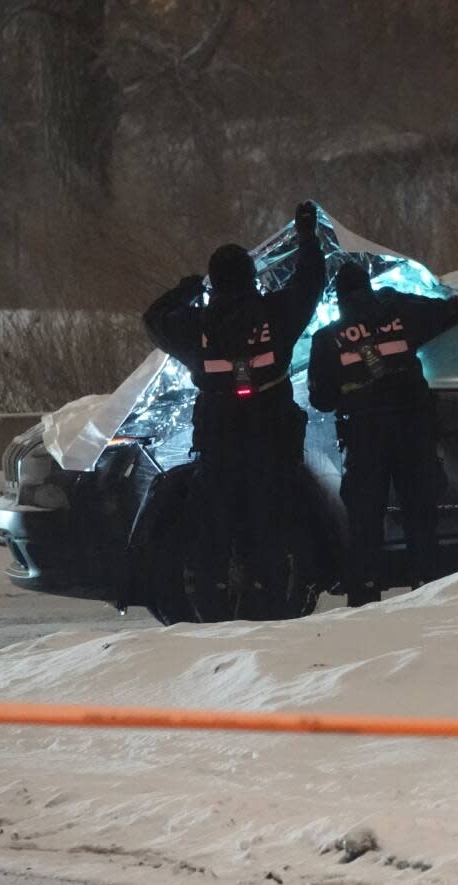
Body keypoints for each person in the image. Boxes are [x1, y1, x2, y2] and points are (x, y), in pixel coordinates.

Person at [142, 200, 325, 619]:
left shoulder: (194, 327)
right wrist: (307, 239)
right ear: (251, 276)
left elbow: (153, 318)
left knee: (214, 528)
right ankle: (274, 604)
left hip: (219, 441)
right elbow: (311, 283)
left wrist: (186, 291)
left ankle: (215, 605)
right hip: (272, 440)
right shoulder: (276, 314)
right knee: (272, 524)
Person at [307, 261, 450, 607]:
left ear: (338, 298)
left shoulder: (328, 338)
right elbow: (445, 313)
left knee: (365, 520)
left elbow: (321, 399)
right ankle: (427, 585)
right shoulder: (401, 316)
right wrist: (394, 299)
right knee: (420, 513)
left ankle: (366, 595)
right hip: (412, 428)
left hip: (364, 433)